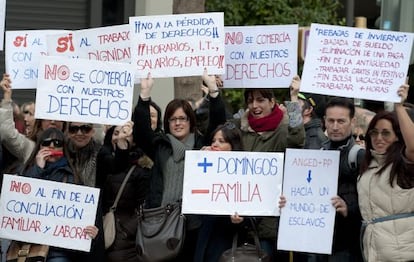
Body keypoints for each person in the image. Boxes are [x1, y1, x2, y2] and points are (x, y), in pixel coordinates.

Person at [133, 71, 227, 261]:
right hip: (160, 222)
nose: (177, 123)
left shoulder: (202, 145)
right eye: (173, 119)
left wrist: (213, 91)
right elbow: (141, 131)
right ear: (167, 123)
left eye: (182, 118)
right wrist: (144, 94)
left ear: (190, 121)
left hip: (192, 225)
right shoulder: (160, 145)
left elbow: (218, 121)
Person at [210, 77, 304, 261]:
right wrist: (213, 148)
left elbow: (297, 138)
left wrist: (293, 99)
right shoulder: (238, 124)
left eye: (260, 100)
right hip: (240, 219)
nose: (254, 105)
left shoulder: (283, 129)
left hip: (268, 225)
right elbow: (220, 130)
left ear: (272, 101)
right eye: (251, 100)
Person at [21, 127, 99, 261]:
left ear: (63, 149)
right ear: (39, 146)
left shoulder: (72, 177)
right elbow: (22, 198)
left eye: (57, 143)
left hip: (58, 251)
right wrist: (38, 169)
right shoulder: (28, 170)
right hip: (28, 247)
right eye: (46, 143)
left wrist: (91, 231)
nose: (51, 146)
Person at [358, 84, 414, 262]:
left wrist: (398, 106)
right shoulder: (368, 166)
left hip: (404, 255)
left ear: (397, 136)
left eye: (386, 133)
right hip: (374, 253)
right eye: (374, 133)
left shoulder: (403, 163)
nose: (379, 138)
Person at [314, 97, 364, 262]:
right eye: (331, 120)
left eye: (341, 121)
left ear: (352, 121)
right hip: (319, 241)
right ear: (324, 122)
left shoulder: (359, 156)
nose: (335, 126)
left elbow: (375, 200)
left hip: (348, 245)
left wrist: (349, 209)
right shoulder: (318, 154)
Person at [97, 121, 153, 262]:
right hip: (101, 233)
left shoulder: (141, 170)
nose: (119, 137)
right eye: (116, 133)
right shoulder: (103, 161)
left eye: (125, 134)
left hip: (125, 242)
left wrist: (125, 231)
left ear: (134, 141)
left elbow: (144, 206)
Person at [290, 75, 328, 149]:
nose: (292, 104)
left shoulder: (313, 138)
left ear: (308, 110)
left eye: (296, 101)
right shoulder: (307, 133)